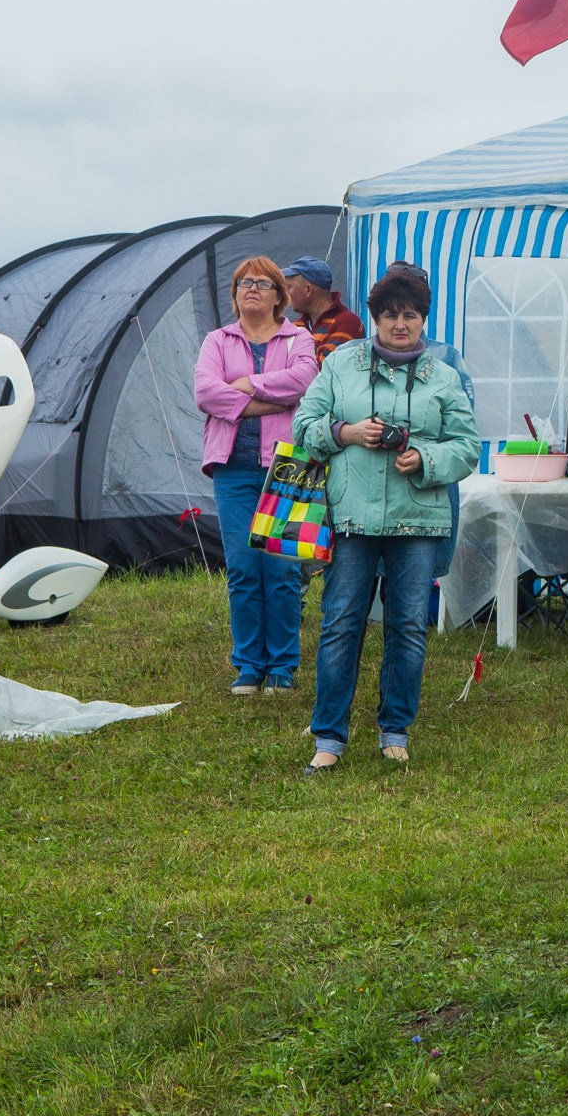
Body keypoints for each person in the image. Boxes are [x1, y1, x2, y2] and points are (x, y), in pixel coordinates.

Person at [292, 267, 479, 771]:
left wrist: (426, 459)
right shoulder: (341, 364)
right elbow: (304, 424)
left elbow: (468, 447)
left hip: (417, 520)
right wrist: (347, 433)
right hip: (351, 517)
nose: (401, 324)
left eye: (411, 315)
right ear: (374, 317)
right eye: (391, 315)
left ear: (424, 320)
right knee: (340, 623)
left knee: (409, 627)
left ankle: (395, 729)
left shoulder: (444, 375)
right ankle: (328, 738)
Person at [194, 258, 319, 695]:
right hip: (232, 468)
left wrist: (245, 384)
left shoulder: (298, 338)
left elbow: (304, 380)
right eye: (244, 283)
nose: (252, 289)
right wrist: (268, 398)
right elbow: (205, 392)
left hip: (288, 464)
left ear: (280, 296)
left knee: (282, 570)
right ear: (235, 294)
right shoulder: (217, 340)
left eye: (263, 283)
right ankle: (249, 666)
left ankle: (283, 667)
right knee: (244, 569)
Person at [386, 261, 477, 582]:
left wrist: (424, 456)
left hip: (423, 492)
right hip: (367, 498)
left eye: (411, 305)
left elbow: (463, 433)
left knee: (409, 593)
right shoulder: (354, 357)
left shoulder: (446, 359)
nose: (400, 315)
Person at [282, 256, 365, 365]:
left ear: (308, 290)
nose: (286, 293)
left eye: (289, 287)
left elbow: (324, 371)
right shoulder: (297, 325)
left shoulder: (347, 323)